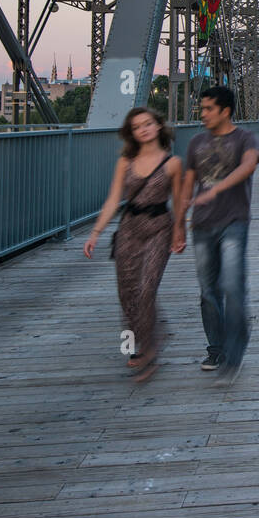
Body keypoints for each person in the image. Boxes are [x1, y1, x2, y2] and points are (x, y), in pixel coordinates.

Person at [84, 107, 184, 384]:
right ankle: (149, 336)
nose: (144, 129)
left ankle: (148, 351)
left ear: (158, 126)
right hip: (129, 228)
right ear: (132, 132)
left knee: (146, 289)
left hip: (158, 228)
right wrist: (95, 232)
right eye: (138, 126)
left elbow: (178, 201)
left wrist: (179, 231)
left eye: (148, 123)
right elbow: (113, 199)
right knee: (128, 293)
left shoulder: (173, 163)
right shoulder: (125, 162)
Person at [181, 86, 259, 385]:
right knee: (207, 292)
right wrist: (178, 223)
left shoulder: (245, 138)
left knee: (232, 286)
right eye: (201, 109)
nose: (202, 114)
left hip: (234, 220)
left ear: (225, 111)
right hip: (201, 224)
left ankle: (234, 355)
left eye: (207, 109)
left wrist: (216, 189)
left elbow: (249, 165)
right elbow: (188, 185)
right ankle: (216, 349)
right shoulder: (195, 143)